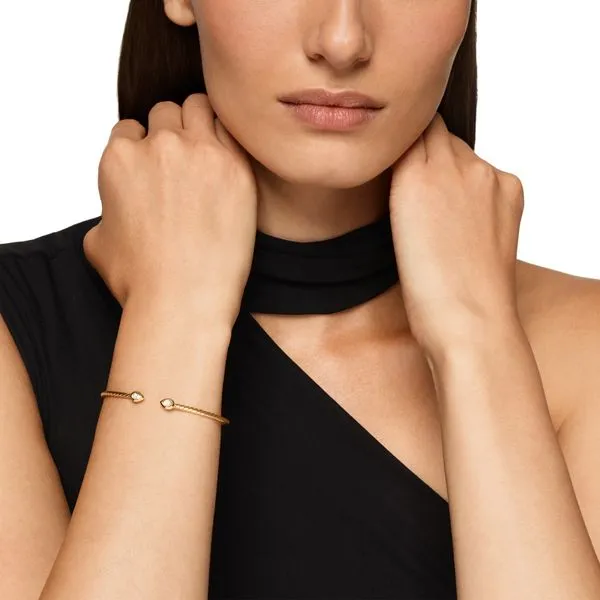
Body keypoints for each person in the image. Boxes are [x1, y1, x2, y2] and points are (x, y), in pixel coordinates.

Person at [1, 0, 600, 598]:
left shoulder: (579, 345)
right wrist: (175, 310)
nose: (342, 42)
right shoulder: (16, 336)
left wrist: (476, 335)